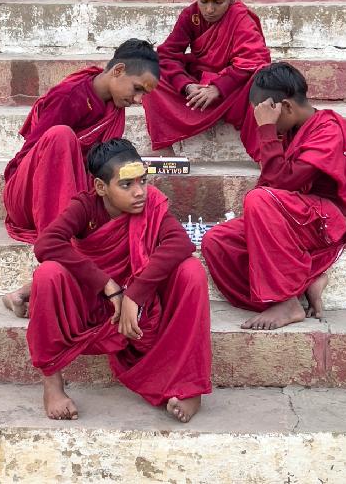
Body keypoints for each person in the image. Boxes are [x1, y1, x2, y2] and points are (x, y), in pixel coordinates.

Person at [26, 138, 212, 422]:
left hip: (140, 306)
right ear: (101, 188)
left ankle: (189, 385)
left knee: (192, 270)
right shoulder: (85, 207)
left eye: (143, 181)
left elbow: (180, 242)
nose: (139, 192)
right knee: (47, 274)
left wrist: (134, 295)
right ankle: (52, 385)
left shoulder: (151, 206)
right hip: (94, 300)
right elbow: (47, 243)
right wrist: (108, 286)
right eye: (126, 185)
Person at [202, 62, 346, 330]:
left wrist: (267, 130)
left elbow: (281, 182)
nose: (268, 125)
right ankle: (303, 284)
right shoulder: (291, 128)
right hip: (296, 214)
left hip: (327, 220)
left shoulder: (328, 130)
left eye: (270, 116)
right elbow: (273, 182)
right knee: (217, 241)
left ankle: (285, 301)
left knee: (258, 200)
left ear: (287, 107)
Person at [3, 39, 160, 315]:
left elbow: (104, 168)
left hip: (74, 195)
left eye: (143, 95)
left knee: (124, 190)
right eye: (137, 90)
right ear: (118, 70)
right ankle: (55, 260)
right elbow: (33, 155)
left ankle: (30, 289)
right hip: (28, 193)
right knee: (61, 137)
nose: (138, 100)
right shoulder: (70, 96)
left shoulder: (115, 108)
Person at [143, 0, 271, 158]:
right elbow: (167, 55)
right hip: (196, 90)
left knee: (264, 79)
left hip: (231, 91)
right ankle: (162, 148)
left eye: (218, 2)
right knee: (150, 75)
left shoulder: (240, 18)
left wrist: (218, 88)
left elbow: (255, 60)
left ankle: (265, 155)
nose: (209, 10)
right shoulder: (190, 15)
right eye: (203, 1)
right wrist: (186, 85)